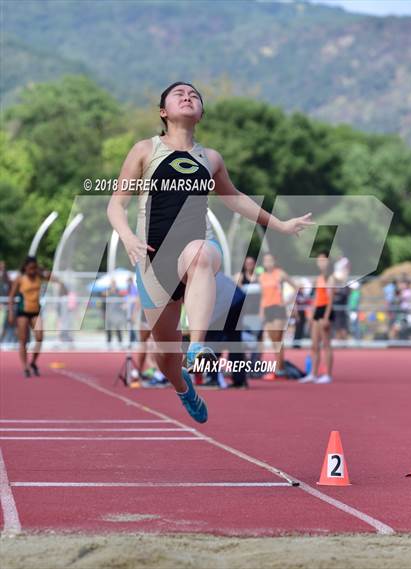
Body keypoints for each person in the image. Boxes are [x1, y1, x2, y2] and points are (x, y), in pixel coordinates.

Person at [107, 81, 313, 423]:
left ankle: (198, 345)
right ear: (163, 112)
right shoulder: (145, 150)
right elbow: (116, 205)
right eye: (179, 95)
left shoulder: (211, 158)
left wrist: (280, 224)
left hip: (195, 247)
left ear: (200, 113)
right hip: (153, 261)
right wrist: (127, 236)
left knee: (200, 253)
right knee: (164, 350)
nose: (188, 97)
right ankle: (182, 386)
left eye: (194, 96)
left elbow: (233, 197)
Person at [8, 256, 60, 377]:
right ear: (25, 267)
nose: (32, 270)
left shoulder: (39, 276)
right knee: (23, 340)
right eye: (30, 268)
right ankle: (25, 366)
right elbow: (11, 296)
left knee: (40, 336)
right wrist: (11, 312)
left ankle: (33, 362)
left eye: (34, 268)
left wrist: (42, 269)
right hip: (23, 312)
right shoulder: (20, 279)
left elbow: (55, 279)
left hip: (35, 311)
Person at [299, 252, 335, 384]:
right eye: (319, 261)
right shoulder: (319, 277)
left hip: (325, 310)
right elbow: (316, 298)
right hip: (317, 311)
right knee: (314, 345)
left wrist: (326, 317)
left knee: (326, 344)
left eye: (323, 260)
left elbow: (330, 299)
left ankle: (328, 375)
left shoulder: (330, 278)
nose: (321, 263)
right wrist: (311, 314)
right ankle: (313, 374)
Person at [258, 253, 296, 379]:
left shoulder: (280, 273)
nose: (268, 263)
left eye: (270, 260)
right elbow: (262, 295)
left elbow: (295, 286)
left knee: (278, 339)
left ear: (274, 261)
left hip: (278, 308)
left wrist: (288, 302)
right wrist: (261, 311)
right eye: (266, 260)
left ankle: (280, 368)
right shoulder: (262, 276)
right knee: (273, 340)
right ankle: (279, 367)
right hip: (267, 309)